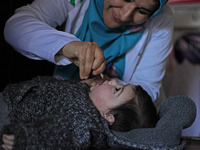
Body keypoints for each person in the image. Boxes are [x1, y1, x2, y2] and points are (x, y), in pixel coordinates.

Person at [4, 0, 174, 102]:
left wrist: (107, 85)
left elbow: (147, 90)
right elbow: (15, 27)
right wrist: (68, 46)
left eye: (142, 11)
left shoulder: (160, 21)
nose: (125, 15)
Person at [0, 76, 158, 149]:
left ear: (108, 116)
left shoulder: (86, 124)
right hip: (14, 97)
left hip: (10, 113)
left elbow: (59, 135)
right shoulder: (87, 100)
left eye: (116, 90)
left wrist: (26, 138)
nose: (113, 81)